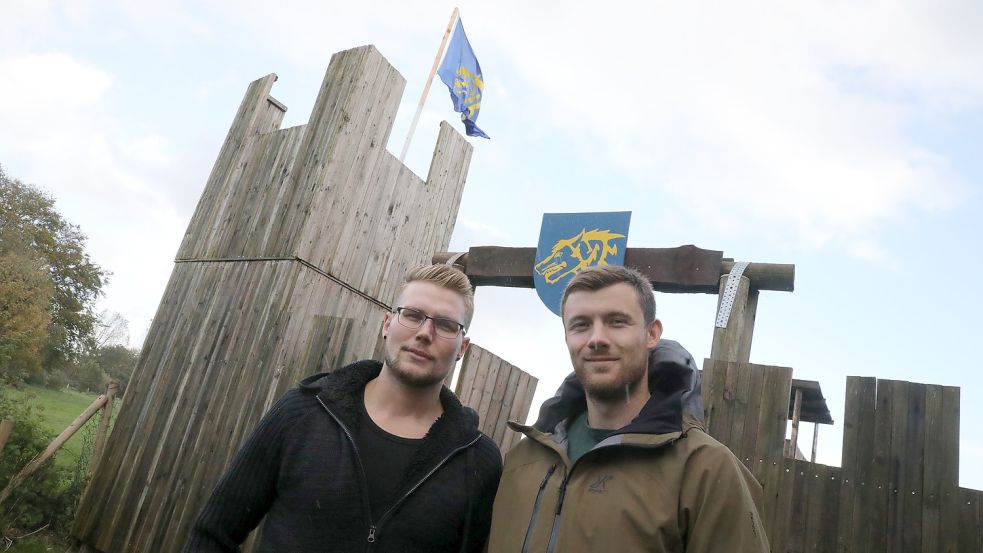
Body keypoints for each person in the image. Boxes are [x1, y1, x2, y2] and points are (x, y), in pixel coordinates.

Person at [184, 264, 503, 553]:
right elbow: (212, 534)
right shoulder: (302, 412)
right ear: (388, 323)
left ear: (462, 346)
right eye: (412, 315)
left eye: (446, 324)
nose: (424, 333)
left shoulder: (479, 461)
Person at [487, 265, 769, 553]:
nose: (597, 338)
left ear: (651, 333)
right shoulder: (521, 461)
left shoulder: (706, 470)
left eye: (617, 322)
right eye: (581, 325)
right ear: (567, 337)